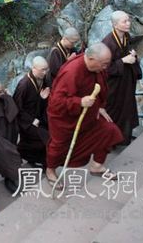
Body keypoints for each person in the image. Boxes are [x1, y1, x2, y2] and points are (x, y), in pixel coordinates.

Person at [45, 43, 124, 188]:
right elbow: (56, 102)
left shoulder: (95, 68)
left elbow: (98, 87)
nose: (106, 68)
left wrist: (100, 107)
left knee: (109, 130)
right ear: (92, 59)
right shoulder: (72, 72)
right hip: (65, 118)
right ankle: (50, 170)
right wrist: (79, 101)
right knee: (58, 146)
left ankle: (96, 166)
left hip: (88, 112)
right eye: (104, 64)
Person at [102, 10, 143, 145]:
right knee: (114, 113)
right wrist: (123, 61)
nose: (128, 23)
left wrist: (133, 55)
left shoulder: (125, 36)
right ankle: (111, 142)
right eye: (124, 21)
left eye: (128, 20)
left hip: (126, 82)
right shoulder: (107, 43)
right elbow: (103, 68)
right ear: (115, 24)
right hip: (114, 86)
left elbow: (128, 50)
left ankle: (124, 139)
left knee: (127, 110)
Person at [13, 56, 52, 168]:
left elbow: (39, 100)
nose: (45, 73)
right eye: (43, 70)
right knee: (44, 137)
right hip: (25, 120)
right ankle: (25, 154)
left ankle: (38, 160)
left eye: (46, 69)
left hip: (38, 115)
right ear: (34, 68)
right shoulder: (24, 85)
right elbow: (17, 107)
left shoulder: (42, 79)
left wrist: (42, 98)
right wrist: (31, 120)